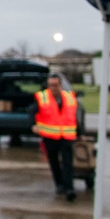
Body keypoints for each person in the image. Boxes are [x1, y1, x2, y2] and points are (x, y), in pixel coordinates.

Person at [33, 73, 79, 202]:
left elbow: (74, 117)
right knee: (54, 162)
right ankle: (59, 184)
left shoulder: (69, 97)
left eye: (55, 85)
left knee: (68, 163)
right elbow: (32, 111)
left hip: (67, 136)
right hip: (50, 136)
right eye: (51, 85)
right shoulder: (42, 97)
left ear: (60, 85)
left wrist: (81, 133)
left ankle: (69, 188)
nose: (53, 88)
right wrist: (33, 125)